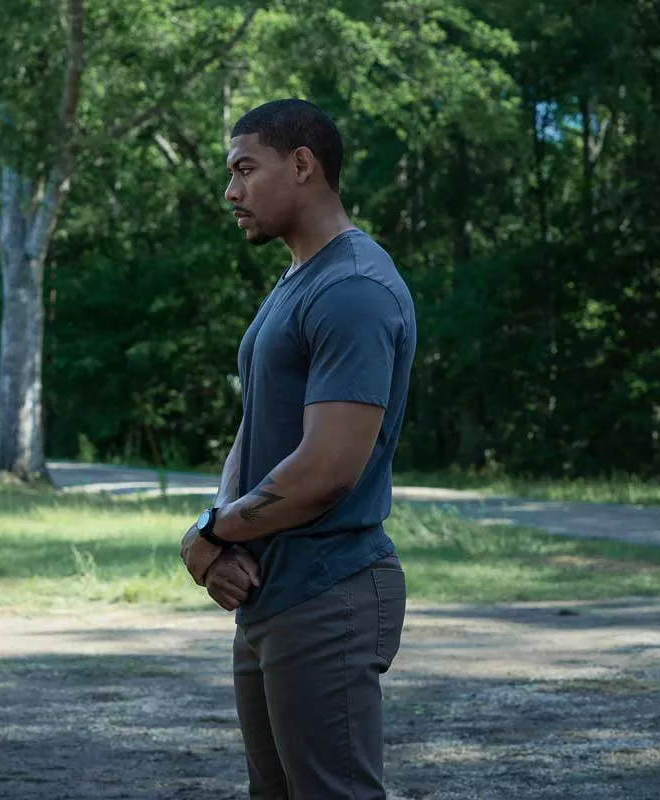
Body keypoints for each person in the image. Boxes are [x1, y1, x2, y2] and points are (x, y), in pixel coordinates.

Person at [180, 99, 416, 799]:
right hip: (272, 593)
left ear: (303, 165)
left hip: (329, 590)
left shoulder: (353, 288)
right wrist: (220, 538)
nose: (231, 191)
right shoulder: (298, 281)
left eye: (245, 169)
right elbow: (256, 433)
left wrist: (209, 532)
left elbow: (325, 471)